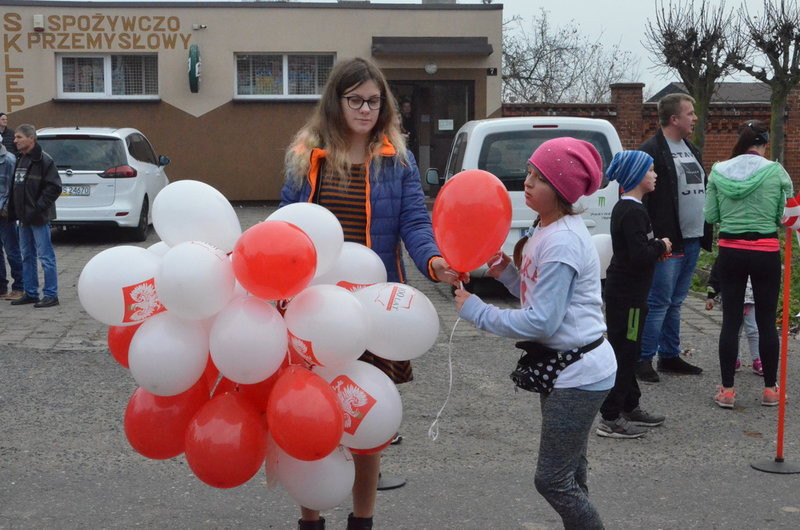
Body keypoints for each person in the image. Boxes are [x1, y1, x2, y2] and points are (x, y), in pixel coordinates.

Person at [280, 57, 462, 530]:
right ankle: (311, 517)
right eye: (355, 100)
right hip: (315, 312)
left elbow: (414, 225)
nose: (365, 109)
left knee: (367, 422)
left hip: (375, 312)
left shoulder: (395, 160)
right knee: (312, 420)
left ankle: (362, 520)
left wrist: (435, 262)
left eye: (373, 101)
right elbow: (286, 228)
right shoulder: (306, 155)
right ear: (336, 102)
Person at [454, 137, 616, 529]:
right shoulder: (547, 226)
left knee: (553, 479)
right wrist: (505, 272)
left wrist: (478, 311)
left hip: (580, 372)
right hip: (567, 368)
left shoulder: (561, 242)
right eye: (529, 171)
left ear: (561, 191)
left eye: (539, 178)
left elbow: (542, 321)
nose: (527, 182)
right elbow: (539, 294)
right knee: (571, 472)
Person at [703, 119, 792, 408]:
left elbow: (712, 215)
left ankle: (727, 390)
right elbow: (784, 215)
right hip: (766, 249)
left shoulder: (718, 171)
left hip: (731, 251)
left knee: (730, 321)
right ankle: (770, 390)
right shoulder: (777, 172)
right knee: (766, 322)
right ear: (764, 144)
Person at [636, 93, 712, 382]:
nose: (694, 118)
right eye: (690, 113)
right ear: (674, 119)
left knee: (677, 301)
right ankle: (643, 359)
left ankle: (669, 355)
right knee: (659, 301)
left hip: (692, 238)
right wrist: (652, 239)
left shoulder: (690, 148)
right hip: (668, 241)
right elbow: (641, 197)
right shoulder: (651, 150)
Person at [597, 151, 670, 439]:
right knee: (626, 352)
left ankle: (630, 404)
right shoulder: (632, 210)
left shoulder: (631, 207)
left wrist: (654, 252)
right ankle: (611, 417)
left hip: (629, 293)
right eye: (650, 170)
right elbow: (640, 254)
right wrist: (661, 247)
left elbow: (635, 250)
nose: (655, 175)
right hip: (627, 298)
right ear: (636, 176)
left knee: (631, 349)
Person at [9, 124, 62, 308]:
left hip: (38, 218)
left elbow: (54, 187)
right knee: (27, 256)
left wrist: (37, 208)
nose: (14, 140)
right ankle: (31, 293)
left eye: (18, 137)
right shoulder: (20, 159)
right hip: (23, 219)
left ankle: (51, 295)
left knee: (46, 257)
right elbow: (17, 187)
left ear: (31, 139)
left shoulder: (44, 161)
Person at [705, 260, 763, 376]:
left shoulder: (757, 251)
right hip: (732, 298)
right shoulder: (728, 251)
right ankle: (734, 359)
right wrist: (711, 296)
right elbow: (716, 273)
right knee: (734, 331)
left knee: (753, 330)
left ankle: (757, 360)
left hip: (752, 299)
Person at [0, 142, 23, 300]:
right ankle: (1, 287)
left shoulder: (8, 160)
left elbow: (12, 189)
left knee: (12, 251)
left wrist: (5, 209)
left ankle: (20, 287)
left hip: (4, 213)